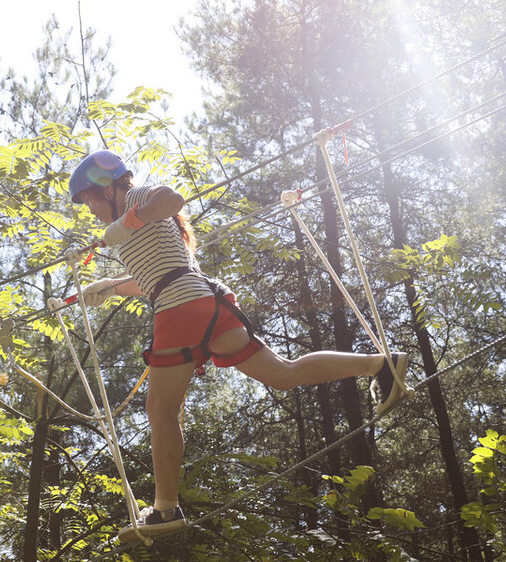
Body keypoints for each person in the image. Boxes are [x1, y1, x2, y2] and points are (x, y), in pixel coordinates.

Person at [67, 150, 409, 537]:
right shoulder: (129, 223)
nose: (89, 209)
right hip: (201, 302)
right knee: (282, 374)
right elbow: (156, 275)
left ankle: (165, 511)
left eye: (88, 199)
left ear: (106, 186)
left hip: (181, 307)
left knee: (160, 410)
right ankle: (380, 364)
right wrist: (111, 287)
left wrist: (129, 219)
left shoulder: (136, 198)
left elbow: (172, 199)